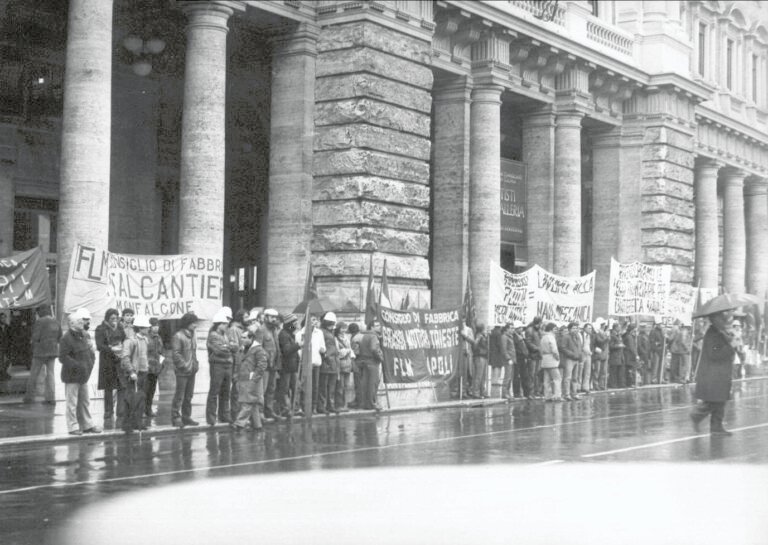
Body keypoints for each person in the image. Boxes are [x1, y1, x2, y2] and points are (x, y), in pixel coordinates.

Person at [690, 309, 740, 436]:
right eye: (723, 318)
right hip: (713, 374)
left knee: (720, 400)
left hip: (720, 373)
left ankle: (716, 427)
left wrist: (731, 340)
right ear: (716, 320)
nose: (726, 320)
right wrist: (731, 346)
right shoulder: (713, 333)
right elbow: (715, 353)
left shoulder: (719, 332)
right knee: (714, 400)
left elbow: (721, 347)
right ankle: (697, 415)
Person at [59, 308, 101, 436]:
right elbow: (63, 357)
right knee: (72, 403)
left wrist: (90, 364)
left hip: (83, 374)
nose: (82, 322)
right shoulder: (66, 338)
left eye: (82, 320)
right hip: (72, 375)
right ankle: (72, 427)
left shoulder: (84, 335)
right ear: (71, 324)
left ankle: (87, 424)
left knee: (84, 401)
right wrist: (78, 366)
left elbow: (90, 351)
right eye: (79, 321)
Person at [232, 314, 268, 432]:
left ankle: (239, 423)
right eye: (241, 337)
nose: (242, 340)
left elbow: (262, 365)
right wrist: (237, 376)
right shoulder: (243, 349)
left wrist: (254, 378)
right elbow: (238, 364)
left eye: (244, 338)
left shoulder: (258, 349)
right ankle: (257, 425)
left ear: (251, 338)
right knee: (253, 403)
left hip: (253, 380)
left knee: (248, 402)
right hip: (244, 379)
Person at [120, 314, 152, 431]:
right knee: (130, 399)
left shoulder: (145, 340)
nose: (148, 329)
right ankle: (127, 424)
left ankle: (137, 423)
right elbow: (125, 357)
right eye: (146, 327)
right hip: (134, 374)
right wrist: (131, 372)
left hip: (143, 373)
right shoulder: (131, 341)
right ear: (140, 328)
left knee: (140, 399)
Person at [25, 305, 61, 404]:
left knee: (34, 374)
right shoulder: (56, 321)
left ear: (41, 312)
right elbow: (60, 336)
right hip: (53, 351)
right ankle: (51, 398)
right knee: (50, 374)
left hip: (40, 352)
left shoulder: (39, 322)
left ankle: (29, 397)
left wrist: (32, 345)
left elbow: (36, 337)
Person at [206, 308, 235, 425]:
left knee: (226, 392)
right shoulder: (213, 335)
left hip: (227, 364)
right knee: (215, 391)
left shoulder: (225, 335)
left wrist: (228, 346)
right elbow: (220, 350)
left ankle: (224, 415)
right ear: (218, 324)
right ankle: (211, 416)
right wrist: (229, 346)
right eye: (224, 324)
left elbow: (235, 346)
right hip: (217, 365)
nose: (226, 325)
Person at [95, 308, 125, 421]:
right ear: (107, 318)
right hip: (107, 361)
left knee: (122, 385)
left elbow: (124, 339)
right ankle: (108, 411)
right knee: (108, 387)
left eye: (116, 318)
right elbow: (99, 346)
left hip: (119, 361)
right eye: (112, 318)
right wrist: (111, 348)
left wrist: (122, 348)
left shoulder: (120, 328)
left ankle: (120, 411)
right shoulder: (101, 329)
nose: (114, 320)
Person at [171, 312, 200, 427]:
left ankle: (186, 417)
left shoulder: (192, 335)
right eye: (193, 323)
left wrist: (195, 365)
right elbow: (176, 354)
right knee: (179, 395)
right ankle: (175, 417)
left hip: (191, 369)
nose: (195, 325)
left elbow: (193, 352)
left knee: (189, 396)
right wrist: (184, 366)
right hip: (183, 371)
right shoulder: (178, 336)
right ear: (187, 323)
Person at [257, 308, 282, 420]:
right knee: (262, 390)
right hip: (264, 365)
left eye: (275, 318)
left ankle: (269, 410)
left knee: (271, 389)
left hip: (274, 365)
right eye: (272, 317)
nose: (274, 320)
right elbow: (258, 348)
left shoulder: (274, 330)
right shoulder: (261, 330)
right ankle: (260, 412)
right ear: (266, 317)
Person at [277, 313, 301, 417]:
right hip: (286, 367)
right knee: (285, 389)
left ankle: (295, 408)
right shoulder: (283, 334)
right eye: (294, 323)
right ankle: (286, 409)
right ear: (289, 324)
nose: (296, 325)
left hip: (293, 366)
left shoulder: (291, 334)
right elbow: (286, 350)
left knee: (296, 387)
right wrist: (298, 345)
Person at [227, 309, 248, 421]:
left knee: (242, 390)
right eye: (246, 317)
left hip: (244, 363)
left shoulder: (244, 329)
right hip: (238, 363)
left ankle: (240, 414)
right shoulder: (234, 329)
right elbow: (235, 349)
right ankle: (235, 414)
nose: (248, 319)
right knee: (236, 391)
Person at [357, 321, 383, 411]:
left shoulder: (364, 335)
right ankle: (372, 403)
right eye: (377, 325)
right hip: (372, 361)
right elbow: (374, 348)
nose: (379, 327)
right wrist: (380, 357)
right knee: (373, 384)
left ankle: (366, 404)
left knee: (366, 384)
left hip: (365, 361)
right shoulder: (373, 336)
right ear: (372, 327)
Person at [317, 312, 339, 414]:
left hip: (332, 362)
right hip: (326, 362)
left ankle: (330, 405)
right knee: (324, 387)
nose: (332, 326)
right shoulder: (322, 332)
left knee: (330, 387)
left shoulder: (329, 333)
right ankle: (322, 406)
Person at [145, 317, 164, 418]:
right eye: (154, 326)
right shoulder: (146, 338)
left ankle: (149, 409)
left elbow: (161, 351)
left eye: (157, 325)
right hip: (147, 368)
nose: (156, 328)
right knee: (145, 390)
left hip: (156, 368)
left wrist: (161, 363)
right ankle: (143, 410)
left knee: (152, 390)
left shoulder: (159, 338)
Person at [540, 322, 562, 402]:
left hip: (544, 359)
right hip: (552, 359)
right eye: (555, 329)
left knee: (546, 380)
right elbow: (554, 350)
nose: (556, 330)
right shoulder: (551, 337)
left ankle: (547, 396)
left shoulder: (543, 337)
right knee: (557, 379)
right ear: (551, 329)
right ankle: (557, 396)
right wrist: (557, 358)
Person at [335, 321, 353, 412]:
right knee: (340, 386)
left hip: (347, 364)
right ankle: (339, 404)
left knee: (346, 385)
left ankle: (344, 404)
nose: (343, 330)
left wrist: (347, 351)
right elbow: (339, 353)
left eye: (345, 328)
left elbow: (350, 349)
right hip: (340, 364)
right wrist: (346, 351)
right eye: (342, 328)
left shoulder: (346, 338)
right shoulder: (336, 339)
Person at [524, 316, 543, 398]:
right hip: (532, 355)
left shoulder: (539, 331)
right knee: (531, 374)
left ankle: (536, 391)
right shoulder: (530, 330)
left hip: (538, 355)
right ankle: (530, 392)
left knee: (537, 374)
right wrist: (536, 348)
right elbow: (528, 342)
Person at [468, 323, 488, 399]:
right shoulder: (478, 336)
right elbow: (475, 345)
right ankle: (476, 392)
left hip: (483, 356)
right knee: (478, 376)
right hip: (479, 356)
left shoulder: (482, 336)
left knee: (483, 376)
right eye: (485, 329)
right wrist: (479, 339)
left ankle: (482, 392)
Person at [511, 321, 529, 398]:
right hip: (518, 357)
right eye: (520, 328)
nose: (521, 329)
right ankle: (517, 392)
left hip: (522, 357)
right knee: (517, 375)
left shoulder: (521, 336)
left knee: (524, 375)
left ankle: (525, 392)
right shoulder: (514, 337)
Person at [348, 323, 363, 409]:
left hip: (357, 361)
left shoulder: (354, 338)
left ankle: (358, 401)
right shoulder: (361, 336)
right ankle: (360, 400)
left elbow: (356, 352)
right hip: (362, 361)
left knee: (358, 382)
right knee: (361, 382)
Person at [592, 318, 609, 391]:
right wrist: (606, 338)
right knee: (597, 371)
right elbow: (600, 342)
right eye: (603, 325)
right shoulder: (597, 334)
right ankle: (596, 385)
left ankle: (602, 384)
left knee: (603, 371)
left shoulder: (605, 333)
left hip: (604, 354)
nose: (604, 326)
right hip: (598, 355)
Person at [500, 324, 516, 400]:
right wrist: (508, 358)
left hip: (512, 359)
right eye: (511, 328)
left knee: (510, 377)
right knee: (507, 376)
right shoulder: (504, 337)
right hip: (508, 359)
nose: (513, 329)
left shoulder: (510, 336)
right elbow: (504, 349)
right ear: (507, 329)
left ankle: (508, 392)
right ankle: (504, 392)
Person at [608, 321, 626, 388]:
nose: (620, 328)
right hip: (614, 356)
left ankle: (620, 384)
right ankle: (613, 384)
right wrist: (619, 345)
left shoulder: (619, 335)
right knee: (613, 372)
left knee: (620, 371)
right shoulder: (612, 336)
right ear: (615, 328)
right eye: (619, 327)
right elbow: (611, 346)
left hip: (620, 356)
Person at [623, 323, 639, 388]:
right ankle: (630, 383)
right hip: (630, 356)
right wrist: (636, 355)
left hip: (629, 356)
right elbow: (631, 347)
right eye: (635, 330)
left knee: (629, 370)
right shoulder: (629, 337)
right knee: (630, 370)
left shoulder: (629, 336)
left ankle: (630, 383)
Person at [580, 323, 594, 395]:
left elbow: (592, 345)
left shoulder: (590, 336)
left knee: (587, 371)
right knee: (580, 371)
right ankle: (578, 387)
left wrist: (592, 351)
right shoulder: (580, 335)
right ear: (584, 328)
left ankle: (585, 387)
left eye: (591, 328)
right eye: (589, 328)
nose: (590, 330)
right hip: (582, 353)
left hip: (589, 354)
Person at [0, 312, 9, 380]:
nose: (4, 319)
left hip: (7, 346)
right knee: (1, 360)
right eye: (2, 318)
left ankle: (4, 372)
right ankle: (2, 374)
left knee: (8, 360)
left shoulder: (8, 327)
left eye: (5, 317)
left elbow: (10, 336)